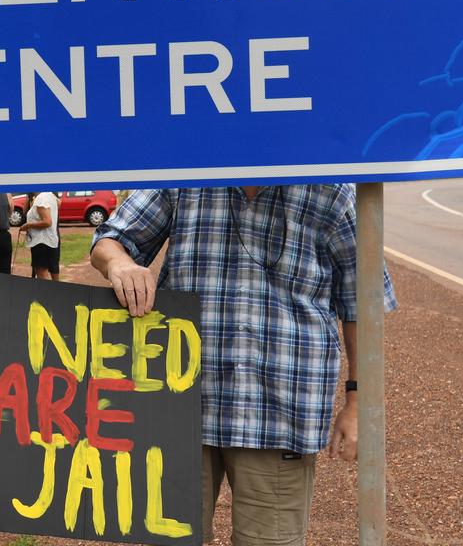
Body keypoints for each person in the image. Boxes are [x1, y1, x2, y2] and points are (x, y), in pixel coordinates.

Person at [90, 185, 396, 546]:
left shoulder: (331, 191)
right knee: (167, 538)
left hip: (278, 412)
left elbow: (363, 301)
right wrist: (119, 262)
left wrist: (358, 402)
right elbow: (109, 239)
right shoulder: (184, 175)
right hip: (180, 406)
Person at [19, 191, 60, 280]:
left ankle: (44, 293)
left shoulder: (41, 198)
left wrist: (28, 225)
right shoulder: (50, 196)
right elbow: (59, 203)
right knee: (52, 271)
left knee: (42, 275)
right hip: (51, 240)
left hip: (41, 242)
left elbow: (47, 222)